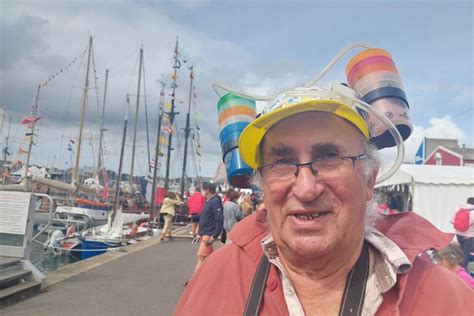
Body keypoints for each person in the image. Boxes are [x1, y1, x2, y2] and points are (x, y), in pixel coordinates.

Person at [175, 87, 474, 315]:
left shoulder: (446, 300)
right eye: (282, 162)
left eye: (330, 157)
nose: (306, 189)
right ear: (263, 185)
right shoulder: (217, 277)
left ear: (369, 181)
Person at [194, 182, 223, 272]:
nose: (202, 192)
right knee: (210, 259)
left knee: (201, 257)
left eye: (203, 189)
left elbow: (219, 219)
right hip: (205, 232)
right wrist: (193, 217)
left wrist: (214, 235)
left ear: (207, 190)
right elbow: (204, 215)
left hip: (208, 233)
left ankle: (194, 282)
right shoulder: (209, 201)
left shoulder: (214, 201)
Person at [451, 197, 474, 270]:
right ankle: (461, 270)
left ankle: (456, 266)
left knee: (460, 251)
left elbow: (452, 221)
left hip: (458, 234)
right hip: (469, 236)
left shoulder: (458, 208)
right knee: (466, 253)